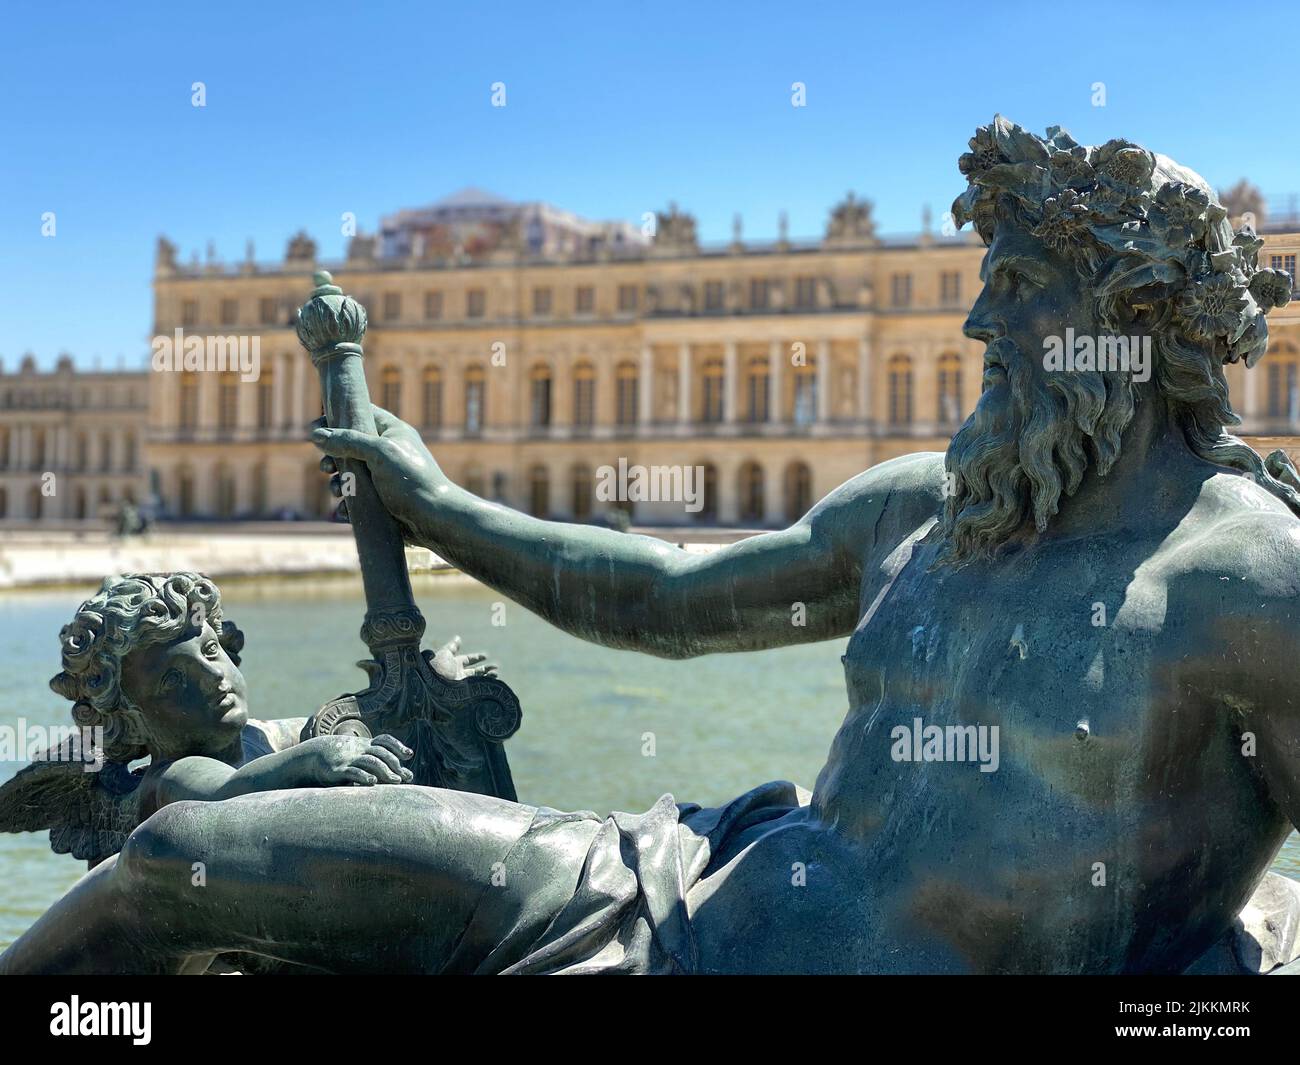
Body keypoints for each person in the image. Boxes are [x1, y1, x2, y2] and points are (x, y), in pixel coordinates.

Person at [3, 118, 1298, 974]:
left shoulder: (1251, 578)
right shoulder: (929, 502)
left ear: (1127, 316)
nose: (972, 319)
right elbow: (662, 594)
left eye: (1015, 286)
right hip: (680, 869)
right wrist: (438, 497)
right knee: (173, 859)